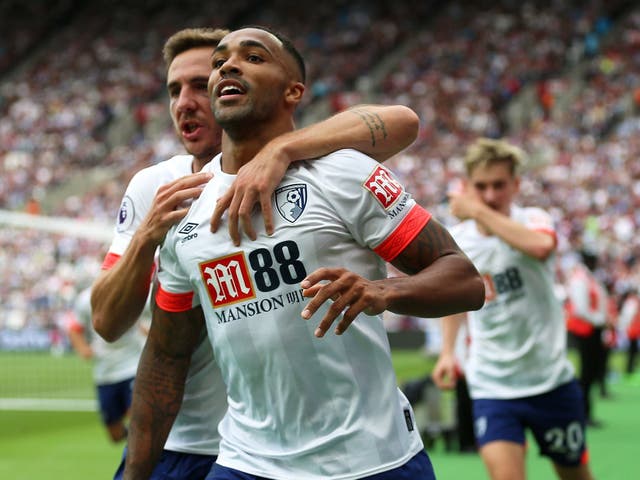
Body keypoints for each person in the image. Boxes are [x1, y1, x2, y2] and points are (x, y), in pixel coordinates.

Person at [123, 26, 485, 480]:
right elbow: (166, 357)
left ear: (293, 91)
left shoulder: (342, 173)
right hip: (245, 464)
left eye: (253, 57)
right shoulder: (186, 207)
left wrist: (384, 290)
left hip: (372, 461)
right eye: (219, 63)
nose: (228, 66)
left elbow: (465, 280)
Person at [432, 138, 595, 480]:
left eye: (499, 185)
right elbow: (456, 299)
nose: (490, 194)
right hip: (492, 385)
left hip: (550, 380)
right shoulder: (458, 241)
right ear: (467, 186)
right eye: (481, 186)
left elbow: (539, 247)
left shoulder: (534, 219)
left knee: (576, 476)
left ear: (516, 185)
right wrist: (448, 352)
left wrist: (477, 210)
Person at [66, 286, 145, 443]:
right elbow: (74, 328)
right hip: (105, 372)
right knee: (114, 434)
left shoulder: (134, 290)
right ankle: (141, 444)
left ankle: (143, 451)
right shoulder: (86, 299)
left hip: (133, 366)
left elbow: (143, 321)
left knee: (139, 420)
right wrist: (83, 349)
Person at [565, 249, 609, 426]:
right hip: (587, 331)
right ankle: (582, 413)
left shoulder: (588, 278)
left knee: (590, 373)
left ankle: (585, 413)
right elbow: (580, 309)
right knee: (586, 373)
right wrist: (599, 319)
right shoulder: (580, 279)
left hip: (592, 330)